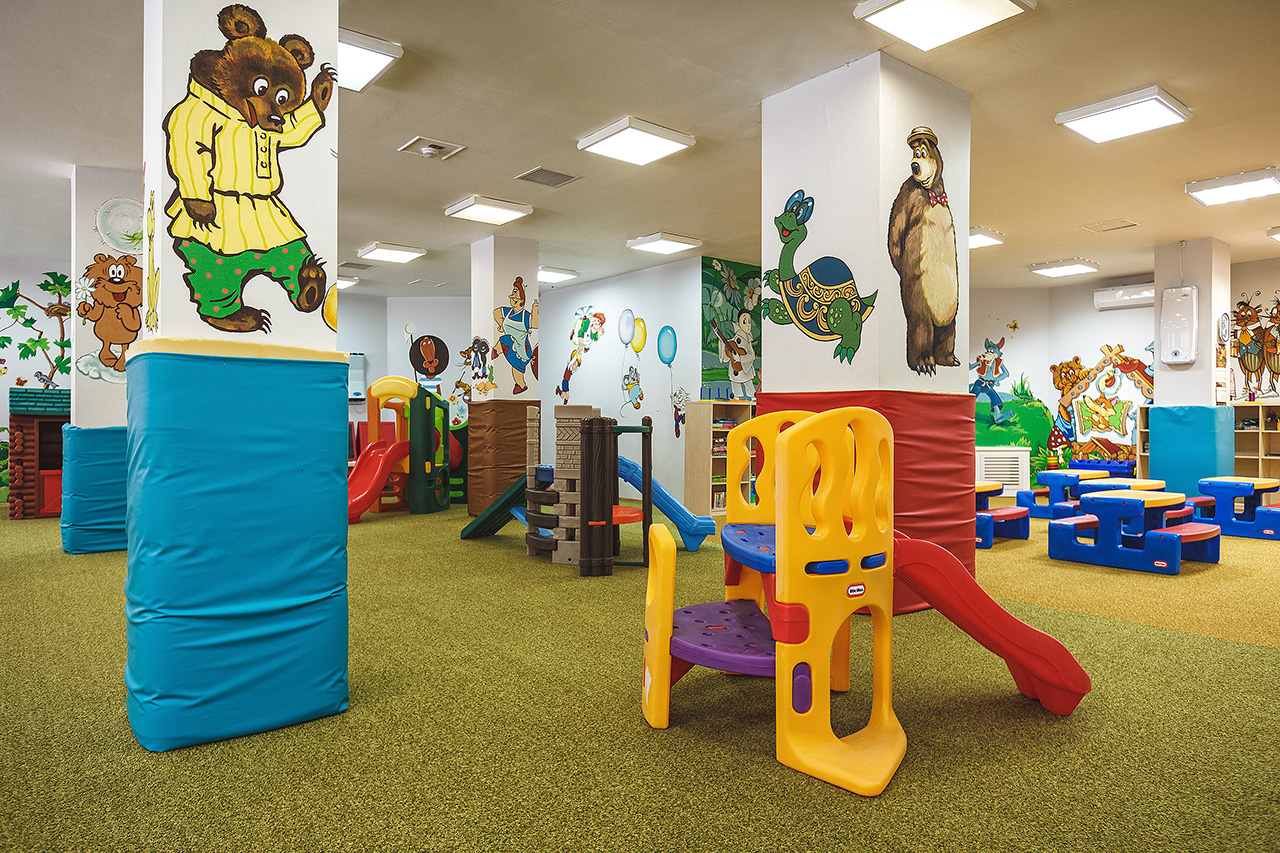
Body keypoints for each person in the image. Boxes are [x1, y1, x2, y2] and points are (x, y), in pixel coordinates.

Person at [492, 277, 538, 394]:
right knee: (506, 341)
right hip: (511, 344)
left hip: (522, 349)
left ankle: (495, 352)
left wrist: (535, 311)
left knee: (506, 340)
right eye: (512, 296)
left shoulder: (525, 315)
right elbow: (496, 312)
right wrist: (501, 325)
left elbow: (535, 324)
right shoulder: (508, 312)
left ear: (521, 300)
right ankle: (521, 385)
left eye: (515, 297)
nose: (512, 299)